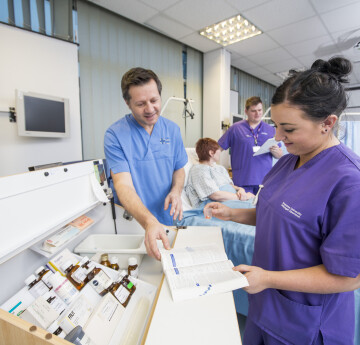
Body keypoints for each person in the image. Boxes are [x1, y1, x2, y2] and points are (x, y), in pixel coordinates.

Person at [205, 57, 360, 345]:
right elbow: (274, 214)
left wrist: (268, 278)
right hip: (265, 307)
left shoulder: (350, 181)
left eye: (287, 129)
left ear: (327, 123)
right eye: (275, 125)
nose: (277, 137)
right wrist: (231, 213)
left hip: (306, 323)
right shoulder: (287, 162)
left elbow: (350, 277)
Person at [104, 67, 188, 260]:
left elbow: (178, 168)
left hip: (167, 218)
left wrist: (176, 191)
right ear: (127, 103)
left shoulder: (172, 130)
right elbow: (123, 185)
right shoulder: (115, 135)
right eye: (141, 104)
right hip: (135, 222)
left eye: (154, 100)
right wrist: (149, 221)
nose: (150, 109)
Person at [218, 96, 283, 194]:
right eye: (253, 111)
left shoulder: (271, 130)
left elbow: (279, 155)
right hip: (242, 182)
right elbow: (218, 149)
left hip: (264, 181)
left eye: (260, 110)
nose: (257, 113)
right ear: (246, 111)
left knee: (261, 208)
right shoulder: (235, 129)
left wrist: (277, 152)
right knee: (242, 208)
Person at [185, 138, 254, 208]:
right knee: (255, 209)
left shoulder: (220, 168)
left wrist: (241, 190)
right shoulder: (198, 170)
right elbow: (215, 195)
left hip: (230, 200)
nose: (220, 152)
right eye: (219, 150)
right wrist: (241, 198)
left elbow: (230, 186)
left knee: (258, 203)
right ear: (211, 153)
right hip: (213, 204)